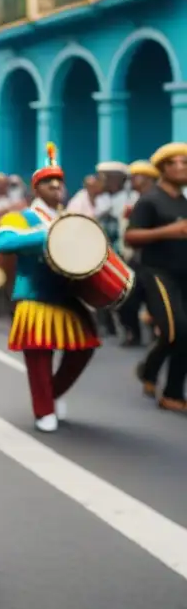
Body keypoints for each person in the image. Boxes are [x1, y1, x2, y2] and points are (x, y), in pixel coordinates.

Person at [0, 143, 99, 433]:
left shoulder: (69, 217)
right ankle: (43, 410)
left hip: (67, 293)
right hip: (34, 295)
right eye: (48, 183)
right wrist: (47, 234)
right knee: (39, 355)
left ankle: (51, 396)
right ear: (35, 189)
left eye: (59, 182)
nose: (56, 187)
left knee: (85, 347)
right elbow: (1, 242)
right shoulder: (21, 217)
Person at [125, 143, 187, 411]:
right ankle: (165, 386)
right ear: (163, 168)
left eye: (185, 163)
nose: (182, 168)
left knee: (184, 333)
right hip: (157, 273)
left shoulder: (183, 202)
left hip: (183, 273)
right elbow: (131, 237)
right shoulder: (150, 199)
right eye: (176, 163)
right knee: (178, 330)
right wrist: (168, 231)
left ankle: (164, 384)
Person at [118, 161, 162, 346]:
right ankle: (134, 332)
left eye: (136, 176)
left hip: (159, 260)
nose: (132, 180)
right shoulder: (135, 201)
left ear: (148, 179)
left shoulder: (159, 201)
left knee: (160, 300)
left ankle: (160, 333)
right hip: (138, 259)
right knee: (126, 297)